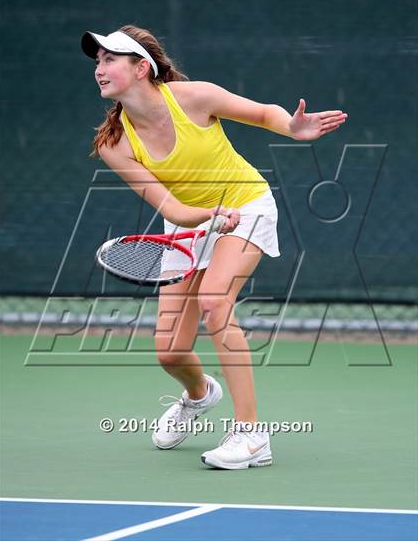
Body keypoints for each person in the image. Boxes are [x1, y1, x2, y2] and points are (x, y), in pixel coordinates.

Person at [81, 25, 347, 470]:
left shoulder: (194, 98)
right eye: (97, 62)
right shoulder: (115, 144)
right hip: (191, 224)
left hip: (247, 204)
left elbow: (264, 114)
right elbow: (173, 206)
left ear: (141, 68)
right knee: (169, 350)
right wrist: (207, 217)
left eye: (110, 60)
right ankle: (199, 394)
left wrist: (292, 126)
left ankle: (251, 436)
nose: (100, 69)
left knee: (215, 300)